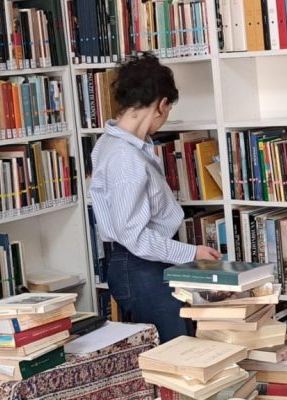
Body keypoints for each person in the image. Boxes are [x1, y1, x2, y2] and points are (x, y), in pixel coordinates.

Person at [89, 53, 221, 343]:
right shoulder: (126, 158)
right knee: (179, 351)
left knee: (178, 346)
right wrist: (191, 253)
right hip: (138, 267)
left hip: (142, 263)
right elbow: (133, 237)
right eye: (169, 109)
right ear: (161, 105)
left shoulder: (115, 144)